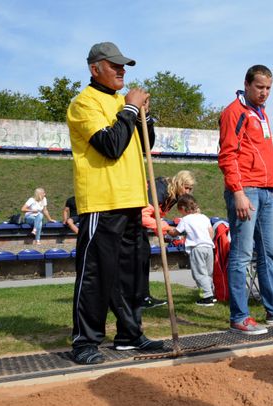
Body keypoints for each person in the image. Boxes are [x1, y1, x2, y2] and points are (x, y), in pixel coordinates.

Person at [66, 41, 163, 365]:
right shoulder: (84, 103)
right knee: (96, 274)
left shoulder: (124, 103)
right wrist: (131, 110)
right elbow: (110, 145)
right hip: (102, 200)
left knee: (133, 273)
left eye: (123, 66)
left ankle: (129, 334)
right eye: (114, 65)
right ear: (95, 69)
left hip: (132, 199)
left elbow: (145, 144)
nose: (121, 71)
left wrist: (145, 116)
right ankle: (85, 341)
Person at [218, 64, 273, 335]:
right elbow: (228, 155)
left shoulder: (261, 113)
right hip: (246, 191)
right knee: (242, 254)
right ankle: (239, 317)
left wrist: (272, 189)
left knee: (268, 252)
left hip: (265, 192)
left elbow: (262, 154)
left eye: (268, 88)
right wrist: (238, 192)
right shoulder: (234, 112)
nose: (264, 92)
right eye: (259, 87)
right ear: (246, 84)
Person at [139, 170, 197, 309]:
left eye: (190, 189)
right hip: (129, 223)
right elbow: (143, 215)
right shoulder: (160, 189)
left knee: (144, 256)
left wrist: (163, 233)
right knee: (139, 258)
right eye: (186, 187)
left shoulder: (173, 196)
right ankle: (138, 298)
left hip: (138, 226)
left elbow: (155, 217)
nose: (188, 192)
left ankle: (143, 297)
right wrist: (166, 228)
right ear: (179, 183)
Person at [167, 194, 216, 306]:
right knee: (208, 273)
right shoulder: (204, 217)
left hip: (196, 248)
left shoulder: (185, 219)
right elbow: (211, 232)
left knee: (199, 273)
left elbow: (175, 233)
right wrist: (207, 240)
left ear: (182, 208)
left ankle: (207, 297)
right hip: (209, 247)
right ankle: (211, 293)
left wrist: (167, 229)